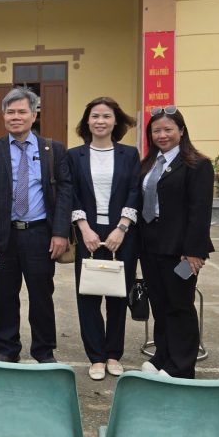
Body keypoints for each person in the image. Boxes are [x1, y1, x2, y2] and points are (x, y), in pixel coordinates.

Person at [0, 87, 72, 363]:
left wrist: (60, 232)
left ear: (34, 115)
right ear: (3, 116)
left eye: (22, 112)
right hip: (4, 236)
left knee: (41, 295)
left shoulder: (53, 149)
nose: (16, 117)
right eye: (10, 112)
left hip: (40, 234)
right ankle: (7, 349)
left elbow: (65, 193)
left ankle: (44, 351)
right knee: (4, 296)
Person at [138, 106, 214, 379]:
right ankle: (163, 356)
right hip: (150, 246)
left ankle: (181, 366)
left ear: (181, 131)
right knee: (159, 304)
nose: (162, 135)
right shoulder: (148, 163)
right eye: (156, 130)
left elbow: (200, 212)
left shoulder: (197, 164)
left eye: (168, 129)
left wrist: (193, 251)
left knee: (180, 305)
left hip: (181, 250)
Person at [67, 97, 139, 380]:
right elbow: (71, 193)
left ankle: (113, 354)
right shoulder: (74, 156)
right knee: (88, 294)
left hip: (122, 231)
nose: (100, 121)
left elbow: (135, 190)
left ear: (115, 121)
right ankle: (96, 356)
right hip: (88, 231)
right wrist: (84, 228)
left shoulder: (129, 154)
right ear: (87, 121)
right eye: (95, 116)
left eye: (106, 116)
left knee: (118, 294)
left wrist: (122, 227)